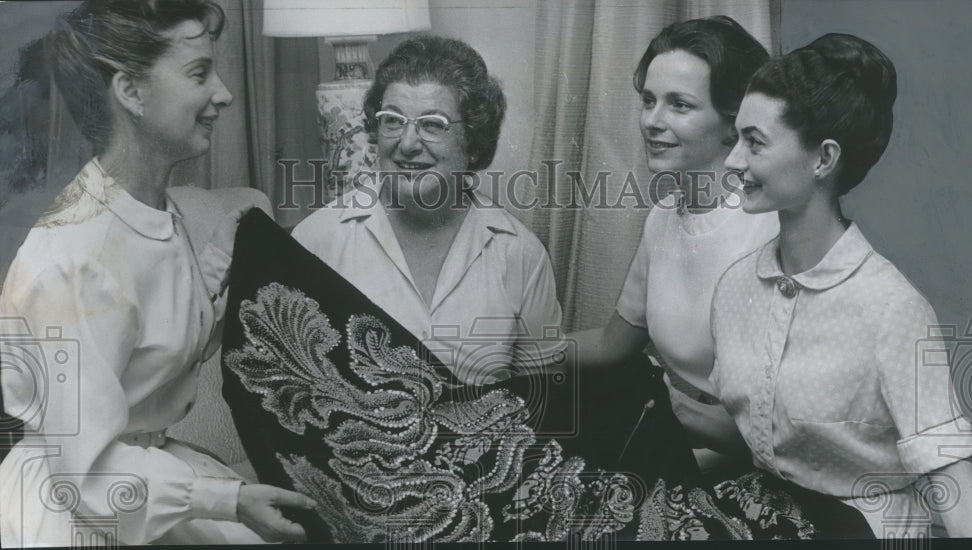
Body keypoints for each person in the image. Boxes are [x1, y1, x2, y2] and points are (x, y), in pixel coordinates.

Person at [0, 1, 315, 545]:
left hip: (147, 477)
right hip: (83, 503)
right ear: (131, 92)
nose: (223, 93)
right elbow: (86, 469)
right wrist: (230, 498)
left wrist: (228, 277)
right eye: (198, 73)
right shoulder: (74, 256)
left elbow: (150, 356)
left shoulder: (157, 213)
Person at [714, 32, 972, 538]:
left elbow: (952, 477)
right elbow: (756, 434)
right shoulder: (736, 287)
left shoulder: (890, 308)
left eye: (754, 142)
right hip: (763, 518)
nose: (733, 160)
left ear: (823, 159)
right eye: (735, 138)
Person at [293, 35, 564, 386]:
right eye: (392, 120)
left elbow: (542, 401)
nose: (407, 144)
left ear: (473, 143)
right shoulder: (316, 241)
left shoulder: (520, 255)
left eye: (432, 125)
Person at [570, 16, 778, 470]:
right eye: (648, 100)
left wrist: (653, 409)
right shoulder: (664, 216)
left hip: (745, 461)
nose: (651, 121)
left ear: (733, 123)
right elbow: (613, 343)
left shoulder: (770, 232)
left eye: (679, 105)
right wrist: (513, 350)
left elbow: (777, 434)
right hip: (672, 430)